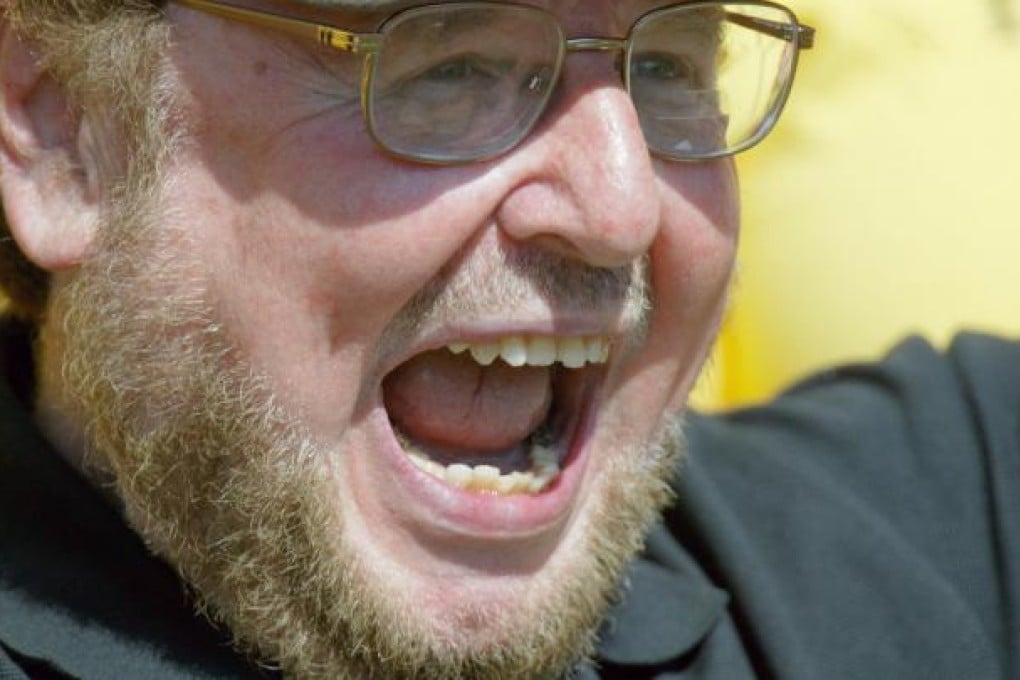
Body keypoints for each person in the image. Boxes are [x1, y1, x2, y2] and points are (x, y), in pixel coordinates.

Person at [0, 1, 1014, 678]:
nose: (620, 208)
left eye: (669, 65)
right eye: (447, 64)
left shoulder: (948, 518)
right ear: (63, 136)